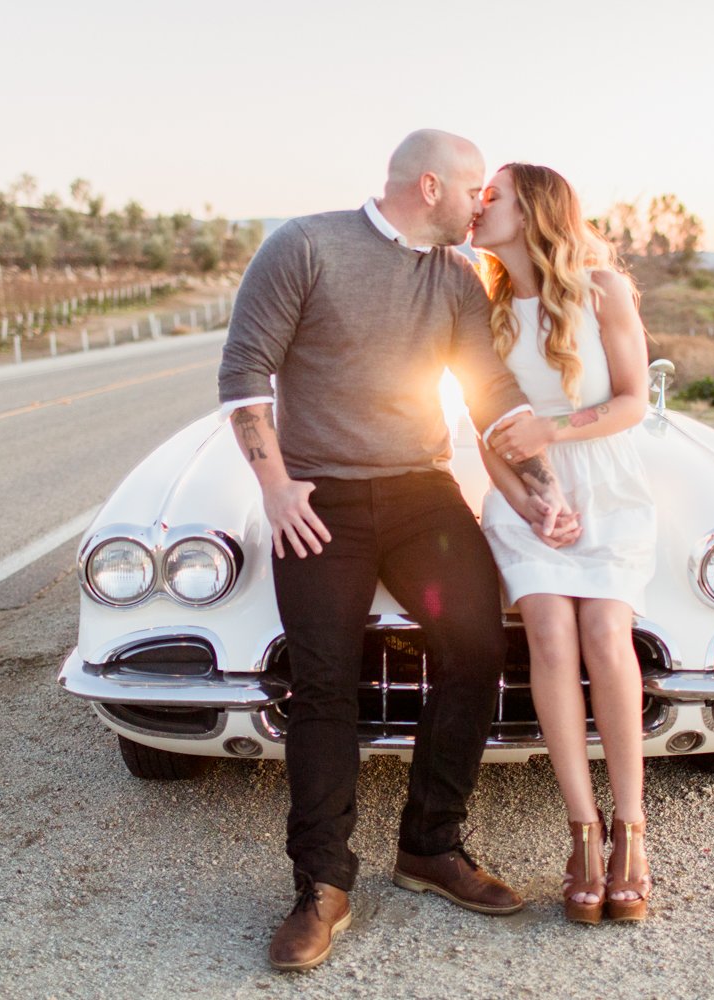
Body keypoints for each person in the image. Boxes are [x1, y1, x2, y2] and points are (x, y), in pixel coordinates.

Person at [217, 131, 578, 972]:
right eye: (473, 194)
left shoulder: (452, 276)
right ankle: (321, 886)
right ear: (430, 186)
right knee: (324, 678)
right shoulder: (303, 246)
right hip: (320, 496)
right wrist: (275, 487)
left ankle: (430, 846)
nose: (481, 206)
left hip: (419, 491)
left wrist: (542, 482)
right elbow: (244, 374)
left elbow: (491, 390)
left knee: (478, 645)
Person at [469, 163, 658, 924]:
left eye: (493, 198)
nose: (478, 208)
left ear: (536, 208)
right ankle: (581, 832)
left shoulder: (602, 288)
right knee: (549, 632)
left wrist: (553, 430)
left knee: (606, 635)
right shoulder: (480, 307)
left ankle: (632, 832)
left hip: (608, 486)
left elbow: (633, 401)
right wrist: (532, 502)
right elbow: (486, 433)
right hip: (525, 496)